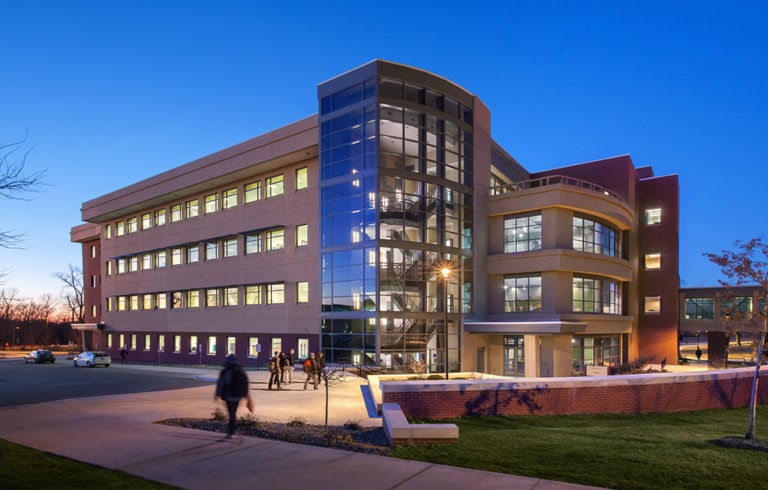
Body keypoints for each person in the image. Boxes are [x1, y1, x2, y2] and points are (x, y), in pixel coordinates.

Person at [214, 354, 251, 438]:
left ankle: (231, 431)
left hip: (228, 396)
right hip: (237, 396)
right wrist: (246, 395)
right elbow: (245, 382)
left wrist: (217, 394)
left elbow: (220, 383)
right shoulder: (240, 370)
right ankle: (233, 430)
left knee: (231, 413)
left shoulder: (225, 371)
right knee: (233, 413)